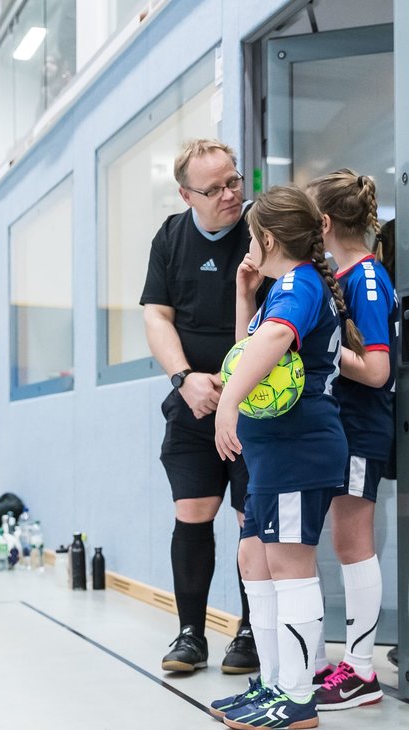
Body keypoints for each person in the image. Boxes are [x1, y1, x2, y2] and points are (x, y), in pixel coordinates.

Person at [209, 185, 359, 730]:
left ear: (267, 237)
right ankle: (273, 681)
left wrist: (226, 405)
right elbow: (244, 352)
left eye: (251, 235)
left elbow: (271, 343)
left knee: (290, 567)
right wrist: (243, 295)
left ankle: (296, 697)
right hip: (273, 452)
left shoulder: (299, 284)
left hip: (300, 450)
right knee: (256, 557)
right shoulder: (280, 288)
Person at [140, 139, 260, 675]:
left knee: (251, 518)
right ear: (187, 194)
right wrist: (185, 379)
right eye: (214, 189)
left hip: (256, 402)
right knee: (193, 512)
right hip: (194, 403)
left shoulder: (262, 228)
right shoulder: (170, 236)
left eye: (234, 181)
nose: (230, 194)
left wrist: (237, 386)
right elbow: (157, 316)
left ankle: (252, 631)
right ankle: (191, 632)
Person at [304, 169, 398, 712]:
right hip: (340, 428)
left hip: (362, 427)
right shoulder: (341, 276)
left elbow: (378, 370)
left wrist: (323, 349)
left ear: (323, 223)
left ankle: (362, 672)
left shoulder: (365, 278)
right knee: (337, 542)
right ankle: (343, 664)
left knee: (352, 543)